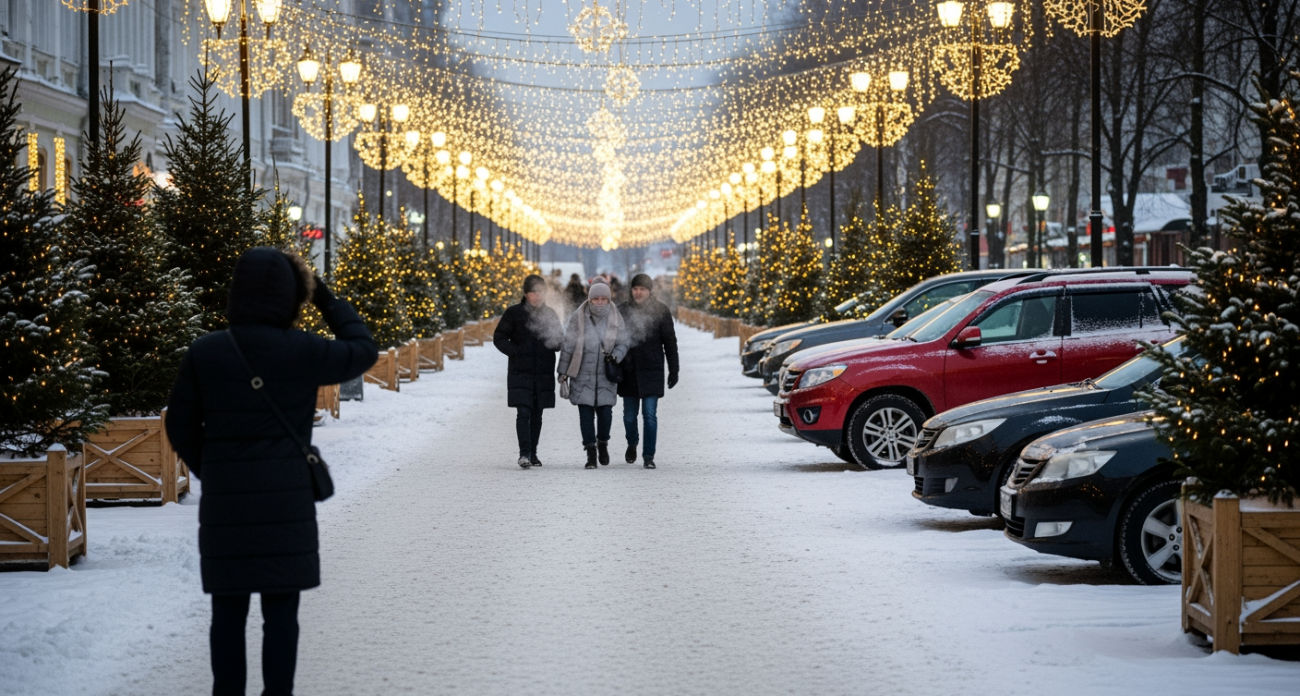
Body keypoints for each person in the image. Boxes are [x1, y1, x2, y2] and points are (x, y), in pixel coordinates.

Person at [165, 247, 378, 696]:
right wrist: (323, 297)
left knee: (227, 613)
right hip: (287, 500)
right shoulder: (302, 350)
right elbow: (363, 350)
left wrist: (215, 468)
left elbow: (180, 425)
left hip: (226, 505)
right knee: (282, 613)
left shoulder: (206, 352)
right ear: (291, 296)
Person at [493, 274, 563, 469]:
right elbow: (499, 337)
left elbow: (559, 339)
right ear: (525, 294)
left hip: (542, 371)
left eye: (540, 291)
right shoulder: (514, 313)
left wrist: (556, 342)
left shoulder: (550, 314)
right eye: (533, 292)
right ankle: (524, 453)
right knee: (523, 412)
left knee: (537, 414)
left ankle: (533, 453)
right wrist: (515, 352)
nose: (537, 295)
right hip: (520, 371)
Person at [557, 281, 630, 468]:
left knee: (606, 414)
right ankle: (590, 452)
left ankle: (603, 443)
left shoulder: (615, 315)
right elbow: (569, 345)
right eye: (595, 298)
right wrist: (563, 372)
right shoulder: (579, 316)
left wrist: (616, 355)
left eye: (603, 298)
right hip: (582, 374)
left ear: (608, 299)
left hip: (606, 374)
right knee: (585, 415)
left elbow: (623, 342)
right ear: (590, 299)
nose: (599, 302)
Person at [618, 274, 680, 469]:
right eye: (635, 288)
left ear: (649, 291)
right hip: (628, 370)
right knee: (629, 416)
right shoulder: (622, 311)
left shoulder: (660, 311)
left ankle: (648, 455)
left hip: (652, 368)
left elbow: (670, 342)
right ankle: (632, 442)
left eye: (642, 289)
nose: (638, 292)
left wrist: (674, 369)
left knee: (649, 414)